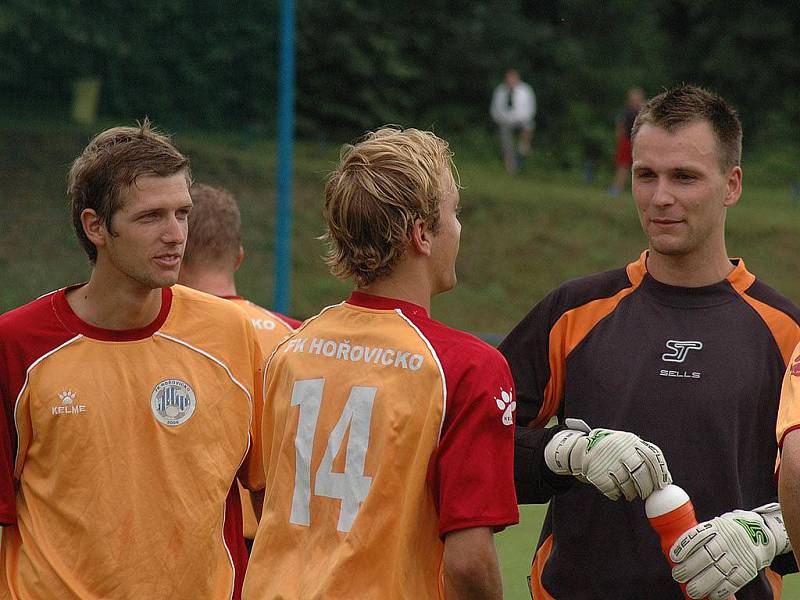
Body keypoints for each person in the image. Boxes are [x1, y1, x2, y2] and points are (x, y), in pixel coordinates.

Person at [500, 84, 800, 599]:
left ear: (732, 185)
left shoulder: (788, 331)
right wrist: (563, 452)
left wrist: (771, 535)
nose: (661, 196)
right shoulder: (572, 312)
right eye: (646, 175)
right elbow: (472, 449)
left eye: (684, 176)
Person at [242, 127, 518, 599]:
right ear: (422, 234)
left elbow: (269, 497)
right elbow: (469, 562)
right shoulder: (466, 367)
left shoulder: (291, 349)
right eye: (454, 213)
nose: (458, 227)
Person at [0, 121, 265, 599]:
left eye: (182, 213)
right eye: (150, 217)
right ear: (95, 226)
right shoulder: (18, 344)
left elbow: (269, 497)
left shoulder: (229, 333)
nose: (175, 234)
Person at [178, 182, 301, 551]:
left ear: (176, 254)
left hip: (201, 541)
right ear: (238, 257)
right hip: (279, 537)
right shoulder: (297, 337)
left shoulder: (167, 335)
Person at [490, 68, 536, 174]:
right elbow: (494, 109)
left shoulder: (525, 90)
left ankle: (523, 147)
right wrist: (501, 120)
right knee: (505, 137)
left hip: (522, 120)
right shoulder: (500, 90)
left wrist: (522, 118)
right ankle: (510, 167)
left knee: (529, 125)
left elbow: (531, 108)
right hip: (505, 121)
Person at [609, 87, 645, 196]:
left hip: (638, 142)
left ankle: (638, 190)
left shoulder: (643, 112)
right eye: (634, 99)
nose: (636, 101)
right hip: (626, 141)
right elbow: (620, 127)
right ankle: (617, 188)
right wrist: (620, 139)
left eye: (637, 99)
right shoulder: (626, 112)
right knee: (623, 166)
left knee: (639, 167)